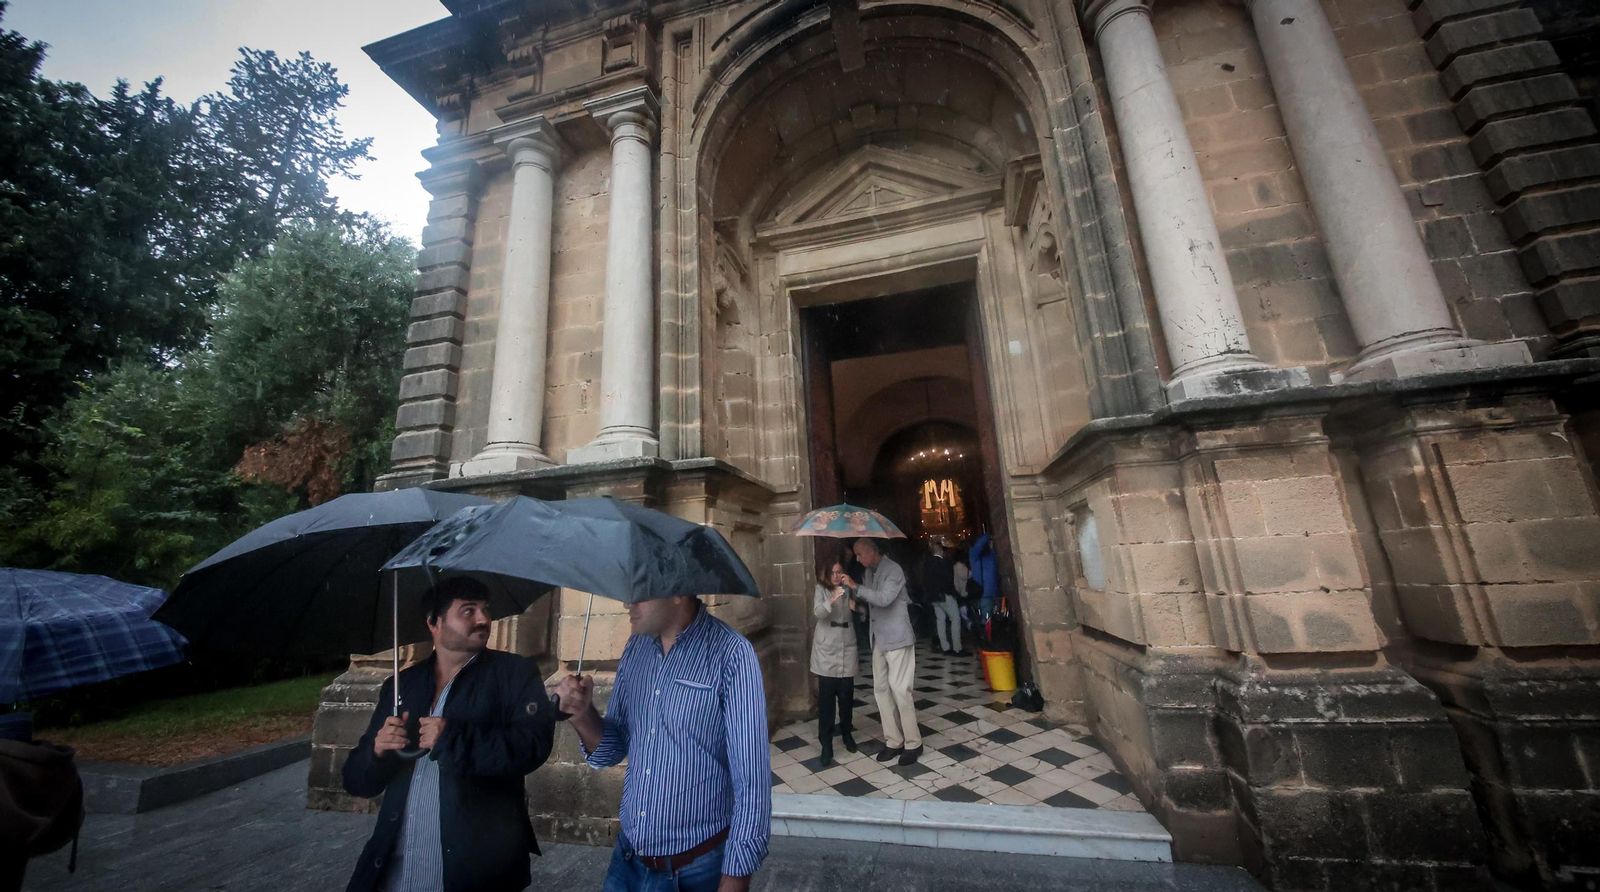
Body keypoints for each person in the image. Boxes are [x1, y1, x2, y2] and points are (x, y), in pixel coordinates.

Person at [343, 577, 561, 892]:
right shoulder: (401, 686)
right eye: (468, 611)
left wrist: (452, 738)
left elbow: (532, 746)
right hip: (396, 871)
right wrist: (376, 752)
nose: (484, 619)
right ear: (434, 622)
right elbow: (357, 781)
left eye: (485, 610)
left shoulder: (514, 674)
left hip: (476, 869)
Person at [553, 594, 771, 892]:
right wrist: (582, 714)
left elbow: (752, 781)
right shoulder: (636, 647)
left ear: (678, 591)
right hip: (628, 861)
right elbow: (612, 750)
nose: (627, 603)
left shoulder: (731, 653)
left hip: (696, 869)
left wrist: (736, 877)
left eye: (640, 591)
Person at [846, 538, 922, 766]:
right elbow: (873, 604)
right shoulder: (869, 573)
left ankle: (913, 743)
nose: (857, 559)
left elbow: (885, 599)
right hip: (878, 637)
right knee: (880, 689)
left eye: (860, 554)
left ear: (871, 551)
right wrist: (857, 604)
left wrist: (855, 587)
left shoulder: (893, 569)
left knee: (900, 689)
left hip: (897, 637)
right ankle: (893, 740)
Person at [811, 554, 858, 767]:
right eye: (833, 572)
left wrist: (854, 595)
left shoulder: (849, 588)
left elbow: (860, 613)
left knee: (847, 697)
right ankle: (826, 743)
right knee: (827, 702)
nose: (837, 576)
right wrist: (832, 598)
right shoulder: (821, 589)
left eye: (840, 571)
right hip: (826, 651)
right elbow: (819, 613)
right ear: (826, 574)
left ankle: (847, 733)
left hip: (847, 647)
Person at [924, 538, 967, 657]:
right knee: (955, 619)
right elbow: (948, 580)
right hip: (944, 595)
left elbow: (925, 581)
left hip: (933, 597)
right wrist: (954, 594)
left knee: (940, 620)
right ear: (940, 550)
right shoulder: (943, 563)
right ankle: (957, 648)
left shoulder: (927, 563)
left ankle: (945, 647)